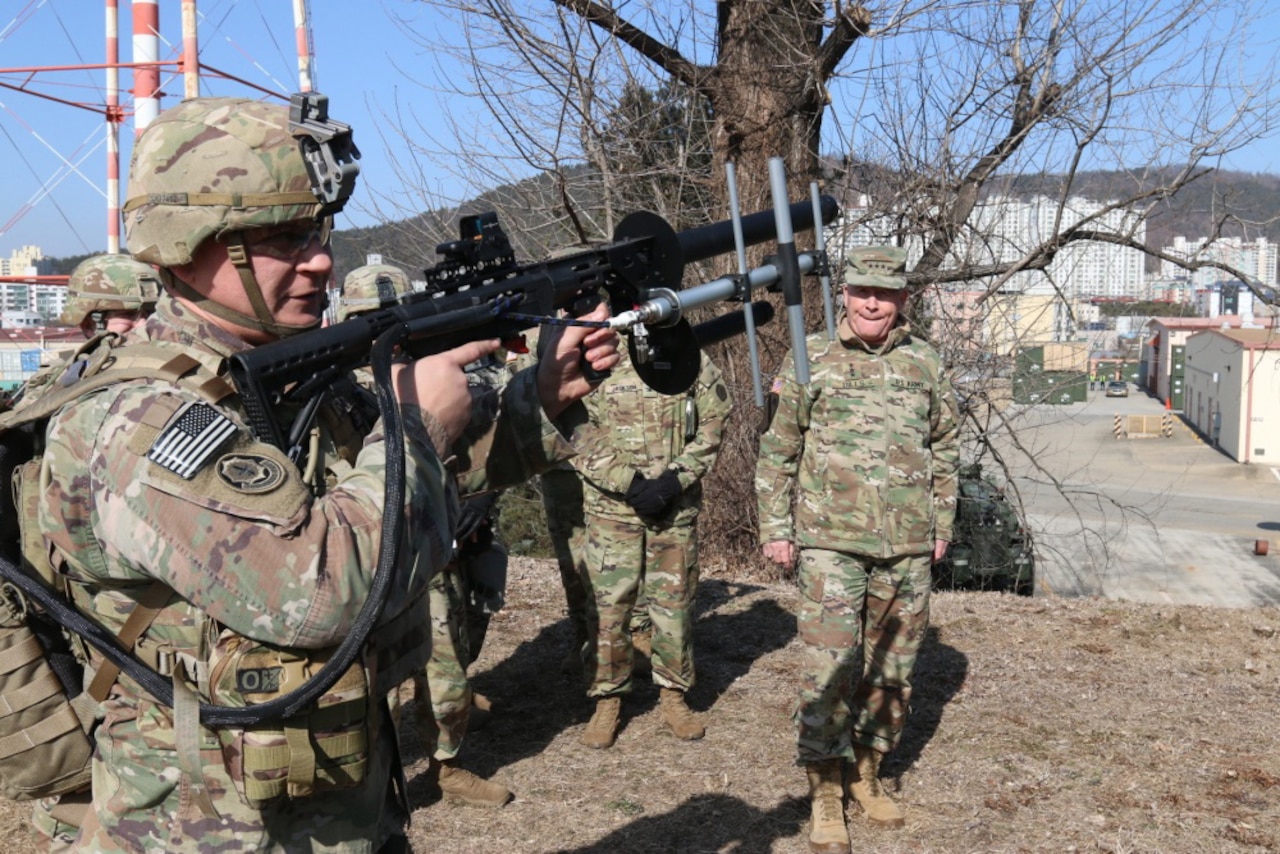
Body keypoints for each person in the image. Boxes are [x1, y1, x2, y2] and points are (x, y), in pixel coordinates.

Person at [23, 95, 617, 853]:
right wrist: (416, 423)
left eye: (317, 232)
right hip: (203, 829)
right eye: (282, 239)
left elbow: (398, 491)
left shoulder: (270, 378)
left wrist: (536, 402)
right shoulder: (139, 420)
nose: (320, 260)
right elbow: (321, 590)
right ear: (182, 244)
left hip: (337, 804)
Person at [756, 246, 959, 851]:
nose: (873, 302)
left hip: (907, 544)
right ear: (843, 294)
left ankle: (866, 772)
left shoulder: (926, 363)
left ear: (903, 298)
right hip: (829, 543)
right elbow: (779, 449)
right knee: (828, 667)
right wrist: (775, 525)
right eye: (862, 291)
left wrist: (942, 521)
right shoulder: (811, 357)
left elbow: (945, 446)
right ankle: (822, 789)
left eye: (886, 293)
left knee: (892, 670)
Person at [573, 347, 730, 749]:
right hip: (612, 508)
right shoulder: (596, 351)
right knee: (609, 609)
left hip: (673, 508)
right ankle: (607, 699)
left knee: (673, 604)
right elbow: (573, 426)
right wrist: (628, 482)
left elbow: (715, 417)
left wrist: (677, 479)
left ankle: (674, 695)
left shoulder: (684, 350)